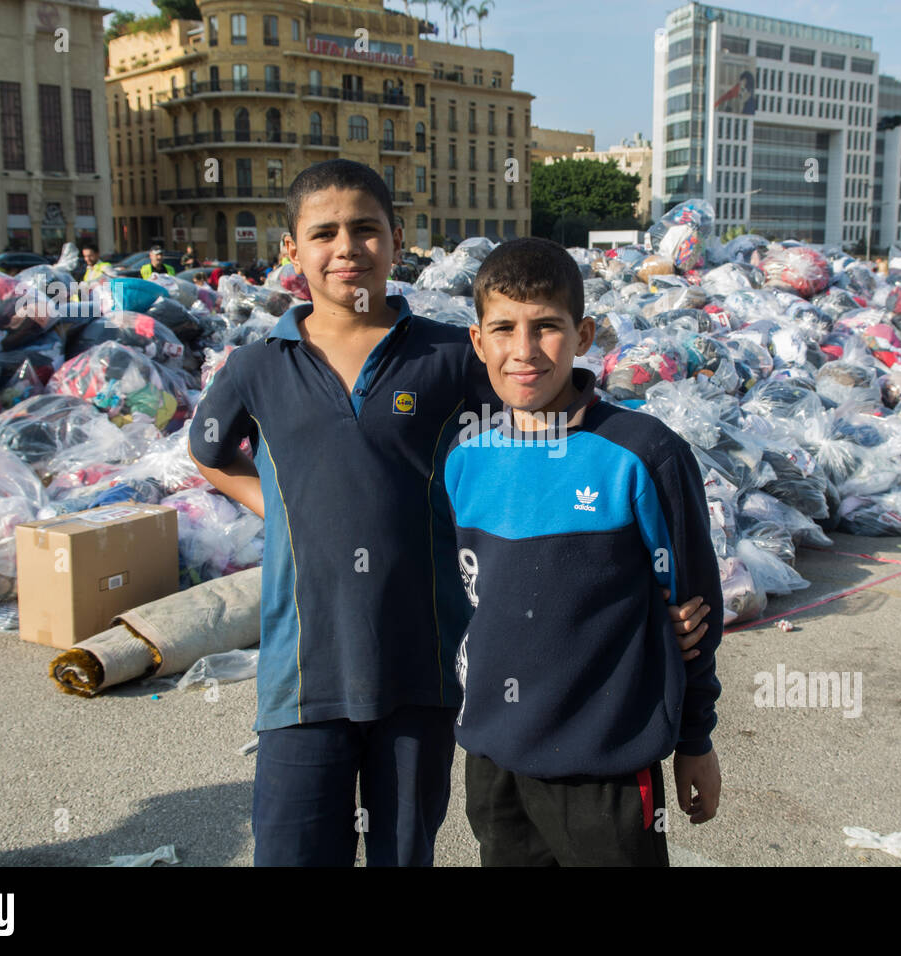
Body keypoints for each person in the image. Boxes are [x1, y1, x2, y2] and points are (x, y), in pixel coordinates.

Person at [186, 159, 712, 867]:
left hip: (422, 670)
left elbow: (540, 418)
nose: (347, 248)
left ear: (397, 240)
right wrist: (286, 512)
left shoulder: (445, 355)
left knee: (406, 852)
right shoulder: (258, 365)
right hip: (303, 671)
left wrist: (649, 594)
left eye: (367, 229)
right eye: (325, 232)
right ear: (291, 250)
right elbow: (212, 454)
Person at [446, 238, 723, 866]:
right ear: (477, 341)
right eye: (504, 329)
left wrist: (695, 740)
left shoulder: (643, 455)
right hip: (493, 759)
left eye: (546, 326)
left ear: (584, 334)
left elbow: (695, 606)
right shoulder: (466, 462)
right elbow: (466, 598)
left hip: (608, 764)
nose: (524, 350)